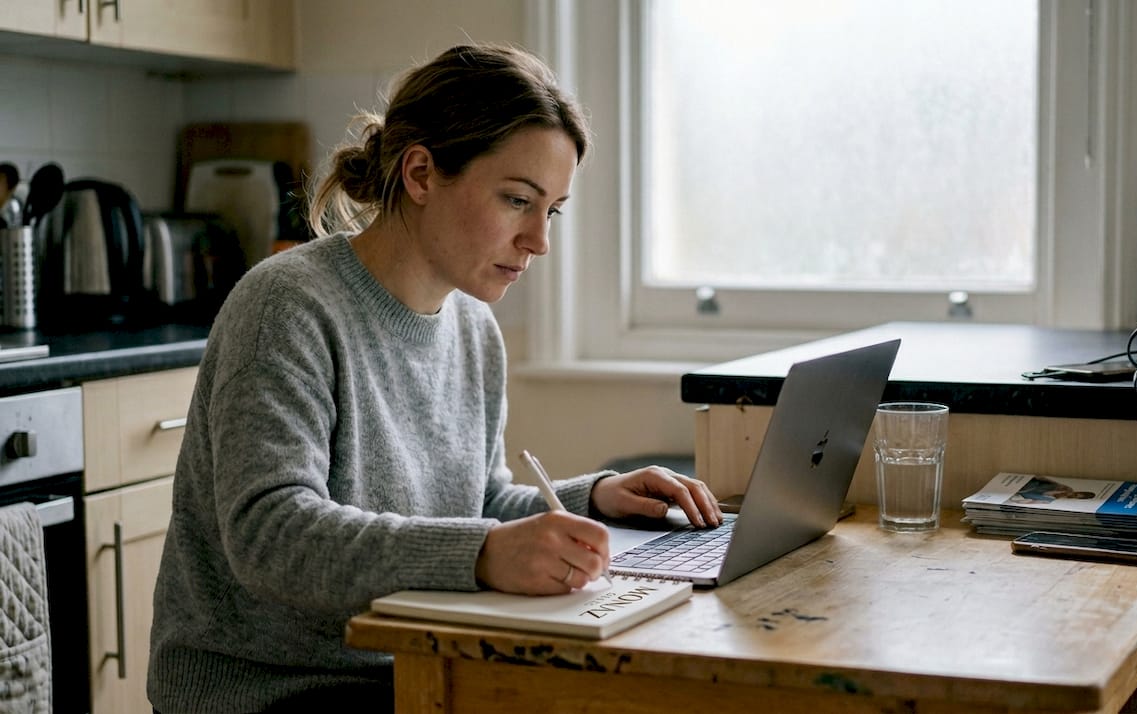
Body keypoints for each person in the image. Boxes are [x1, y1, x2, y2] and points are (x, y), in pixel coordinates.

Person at [147, 43, 723, 714]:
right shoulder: (287, 306)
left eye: (552, 210)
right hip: (270, 689)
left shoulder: (473, 327)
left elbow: (474, 503)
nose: (539, 239)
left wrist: (592, 499)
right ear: (420, 173)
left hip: (414, 662)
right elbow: (271, 535)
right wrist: (484, 554)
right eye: (517, 200)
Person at [1009, 476, 1096, 505]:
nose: (1070, 495)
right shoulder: (1063, 487)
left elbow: (1031, 502)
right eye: (1076, 494)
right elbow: (1042, 479)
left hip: (1016, 492)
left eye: (1074, 497)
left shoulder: (1050, 500)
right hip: (1023, 483)